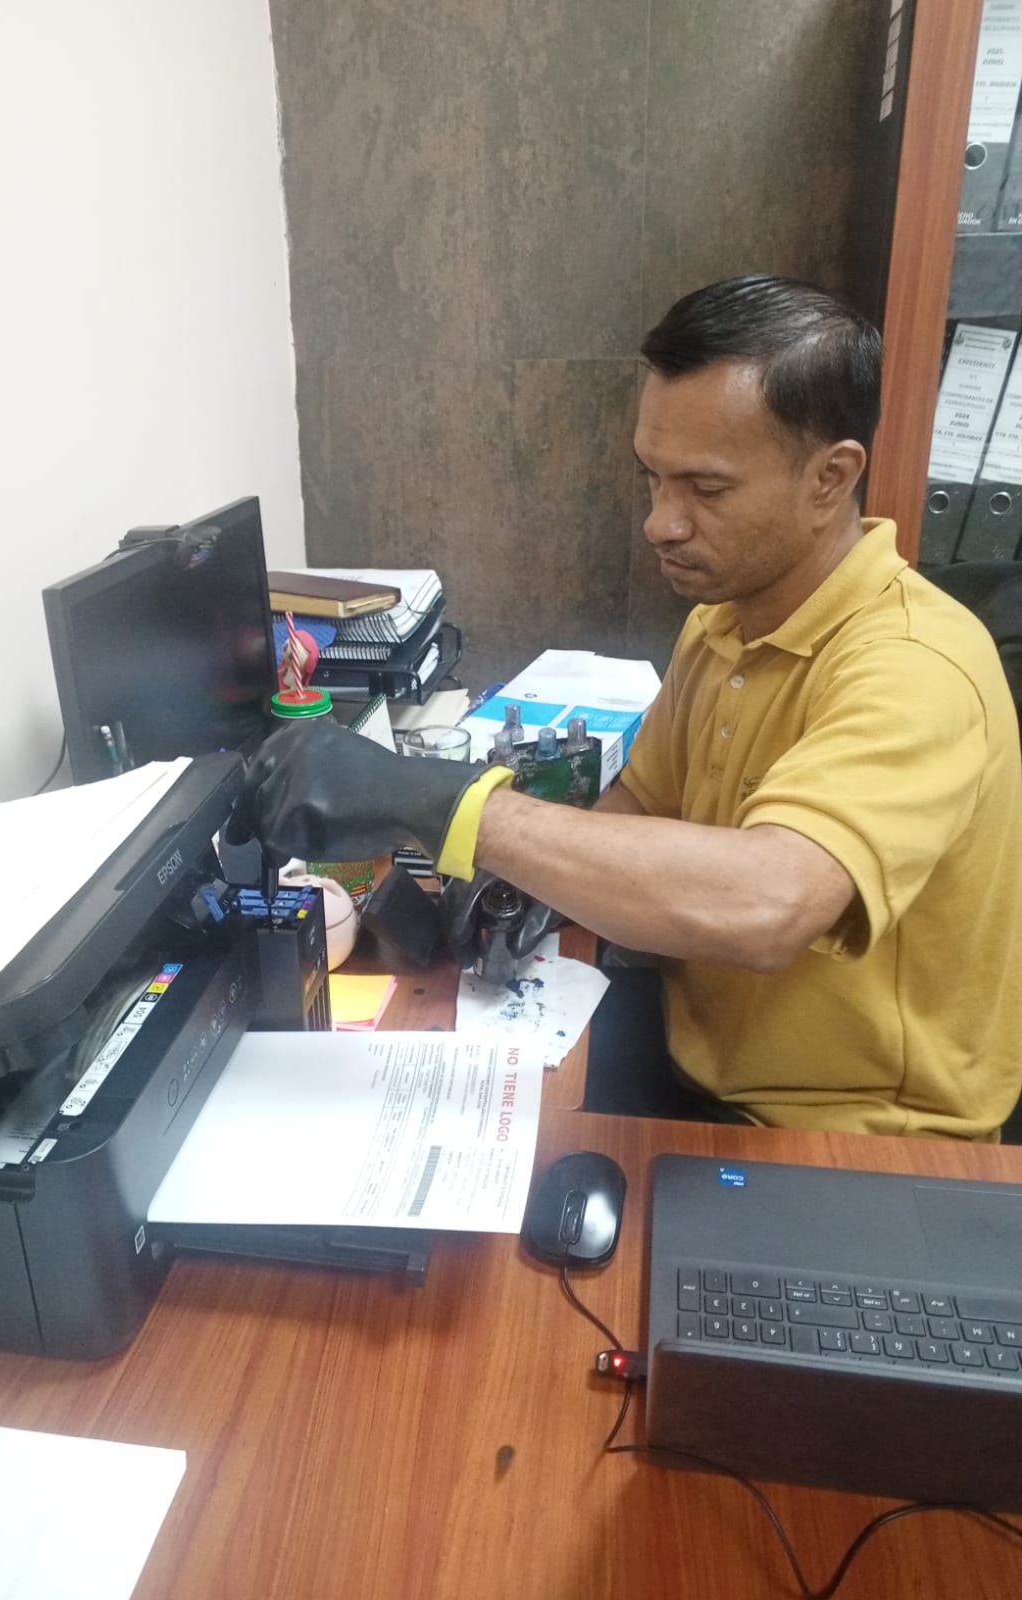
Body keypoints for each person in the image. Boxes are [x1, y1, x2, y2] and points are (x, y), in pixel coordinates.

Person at [229, 275, 1022, 1140]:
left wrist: (447, 804)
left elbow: (772, 904)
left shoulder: (916, 666)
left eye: (705, 489)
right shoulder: (725, 620)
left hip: (851, 1137)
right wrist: (528, 877)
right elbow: (644, 801)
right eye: (653, 478)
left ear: (831, 478)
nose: (660, 523)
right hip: (695, 1057)